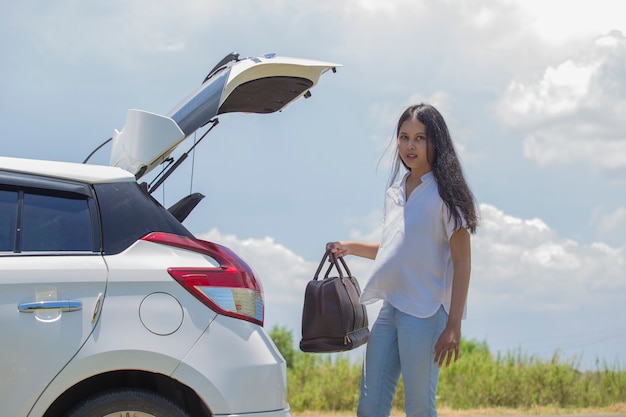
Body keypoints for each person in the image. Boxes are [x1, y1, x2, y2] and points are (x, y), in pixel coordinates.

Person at [327, 103, 478, 417]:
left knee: (419, 407)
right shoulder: (395, 191)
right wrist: (350, 247)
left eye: (420, 138)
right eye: (404, 137)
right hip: (390, 309)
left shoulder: (445, 195)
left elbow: (463, 262)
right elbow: (396, 248)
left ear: (436, 142)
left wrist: (453, 325)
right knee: (369, 407)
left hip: (425, 314)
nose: (411, 146)